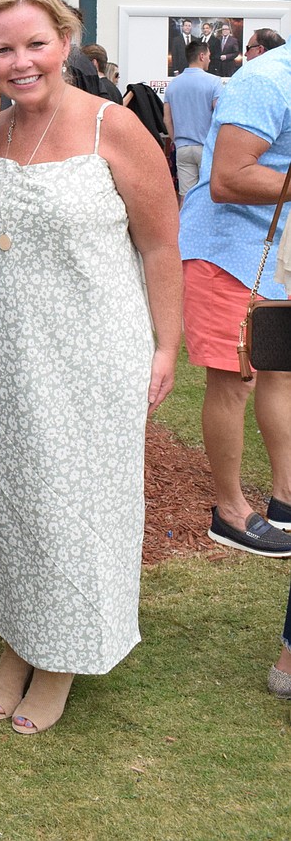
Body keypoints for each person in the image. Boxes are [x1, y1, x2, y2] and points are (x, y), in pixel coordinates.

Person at [0, 0, 181, 736]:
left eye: (36, 43)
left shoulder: (112, 127)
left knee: (77, 508)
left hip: (95, 352)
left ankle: (61, 656)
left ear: (64, 40)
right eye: (2, 49)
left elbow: (160, 245)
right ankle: (20, 639)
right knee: (17, 500)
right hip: (11, 358)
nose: (21, 61)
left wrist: (167, 346)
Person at [178, 35, 291, 557]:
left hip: (275, 255)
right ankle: (229, 511)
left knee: (280, 373)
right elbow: (228, 177)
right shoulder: (267, 80)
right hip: (227, 251)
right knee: (234, 382)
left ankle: (285, 499)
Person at [163, 39, 223, 199]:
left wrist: (176, 140)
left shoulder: (173, 85)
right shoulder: (214, 82)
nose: (210, 59)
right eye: (209, 55)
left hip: (182, 147)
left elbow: (167, 119)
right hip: (207, 147)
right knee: (208, 197)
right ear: (201, 56)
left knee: (186, 196)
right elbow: (220, 114)